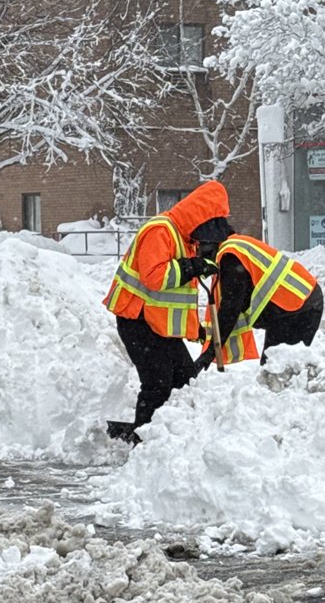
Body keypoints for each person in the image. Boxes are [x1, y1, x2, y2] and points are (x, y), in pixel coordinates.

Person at [103, 181, 231, 444]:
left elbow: (175, 298)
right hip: (135, 319)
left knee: (184, 379)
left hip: (157, 324)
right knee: (157, 383)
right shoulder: (160, 230)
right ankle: (143, 442)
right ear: (199, 216)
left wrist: (192, 328)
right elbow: (155, 277)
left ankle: (168, 438)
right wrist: (192, 266)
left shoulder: (185, 239)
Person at [192, 223, 322, 371]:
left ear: (209, 244)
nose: (198, 254)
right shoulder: (236, 247)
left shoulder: (231, 256)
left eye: (198, 247)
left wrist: (209, 354)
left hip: (297, 307)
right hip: (297, 304)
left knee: (276, 369)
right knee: (277, 368)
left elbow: (230, 309)